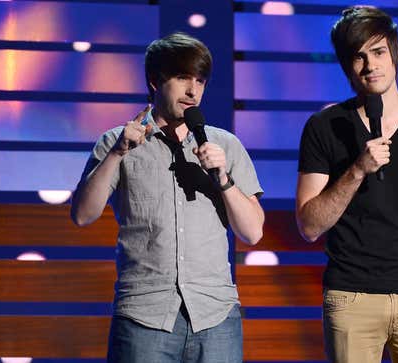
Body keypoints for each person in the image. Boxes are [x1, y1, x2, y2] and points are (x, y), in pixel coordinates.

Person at [71, 32, 264, 363]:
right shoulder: (116, 141)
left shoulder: (225, 145)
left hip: (215, 315)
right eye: (182, 79)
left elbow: (253, 232)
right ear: (155, 81)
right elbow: (82, 215)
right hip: (144, 316)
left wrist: (223, 179)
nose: (193, 91)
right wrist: (118, 153)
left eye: (200, 81)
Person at [295, 6, 398, 363]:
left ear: (396, 53)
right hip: (350, 296)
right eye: (358, 57)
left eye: (378, 52)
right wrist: (358, 168)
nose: (371, 65)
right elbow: (309, 225)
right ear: (345, 65)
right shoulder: (324, 126)